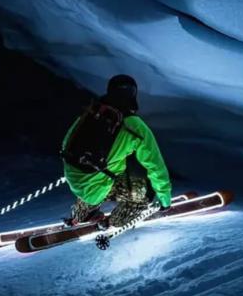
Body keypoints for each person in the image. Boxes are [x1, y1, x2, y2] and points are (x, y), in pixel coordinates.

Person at [61, 74, 172, 228]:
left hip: (76, 179)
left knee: (101, 175)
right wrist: (165, 200)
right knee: (144, 192)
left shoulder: (92, 111)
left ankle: (81, 214)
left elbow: (67, 142)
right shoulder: (134, 125)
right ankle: (112, 222)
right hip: (99, 184)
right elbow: (156, 166)